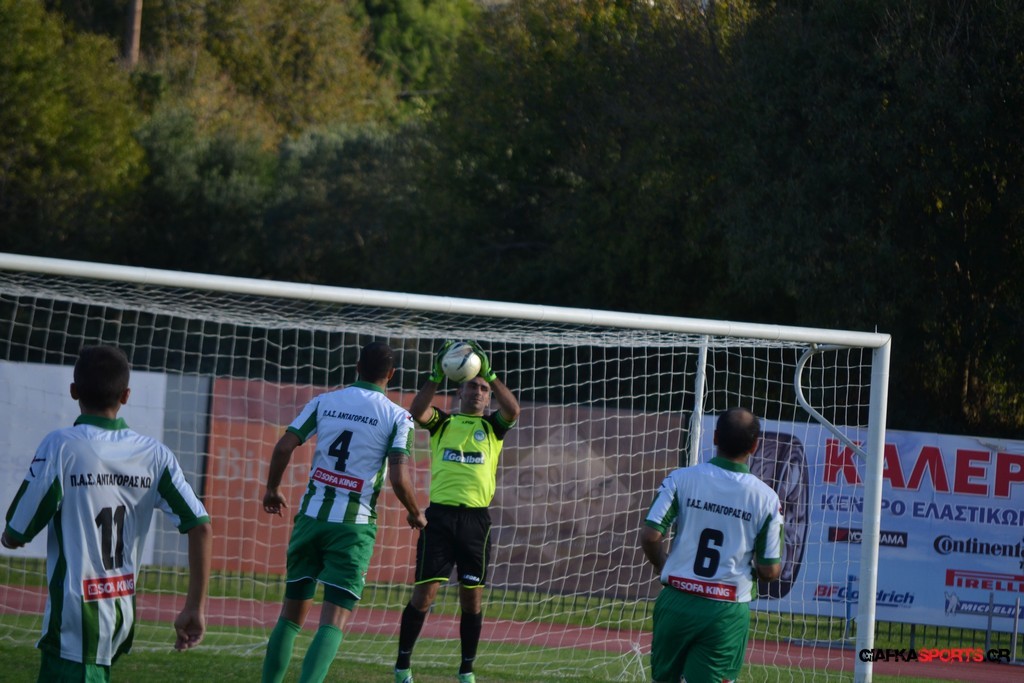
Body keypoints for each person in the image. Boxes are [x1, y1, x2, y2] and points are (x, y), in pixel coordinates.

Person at [1, 345, 213, 682]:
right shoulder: (155, 455)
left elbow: (16, 531)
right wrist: (194, 607)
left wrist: (11, 535)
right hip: (120, 612)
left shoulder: (61, 445)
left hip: (75, 619)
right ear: (126, 395)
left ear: (74, 391)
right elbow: (200, 526)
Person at [260, 340, 426, 683]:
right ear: (392, 374)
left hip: (311, 519)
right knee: (333, 620)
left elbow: (284, 447)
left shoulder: (324, 402)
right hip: (353, 527)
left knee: (290, 616)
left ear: (356, 367)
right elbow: (398, 477)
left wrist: (273, 489)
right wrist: (415, 512)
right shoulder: (399, 417)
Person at [394, 340, 520, 683]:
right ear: (460, 391)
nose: (478, 392)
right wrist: (435, 375)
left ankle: (466, 670)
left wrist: (491, 375)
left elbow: (513, 410)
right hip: (440, 518)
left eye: (483, 389)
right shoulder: (443, 423)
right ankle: (402, 666)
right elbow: (416, 411)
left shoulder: (492, 428)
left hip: (476, 522)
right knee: (424, 595)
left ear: (487, 397)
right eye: (472, 386)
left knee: (472, 600)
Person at [639, 407, 784, 683]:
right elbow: (770, 570)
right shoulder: (767, 499)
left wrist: (662, 563)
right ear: (754, 446)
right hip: (725, 609)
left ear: (715, 437)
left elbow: (650, 535)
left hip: (677, 599)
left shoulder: (680, 479)